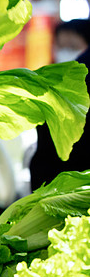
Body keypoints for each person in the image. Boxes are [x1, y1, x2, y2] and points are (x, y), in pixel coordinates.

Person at [30, 19, 90, 189]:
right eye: (61, 46)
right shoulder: (53, 82)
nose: (65, 52)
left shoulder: (79, 80)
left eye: (72, 46)